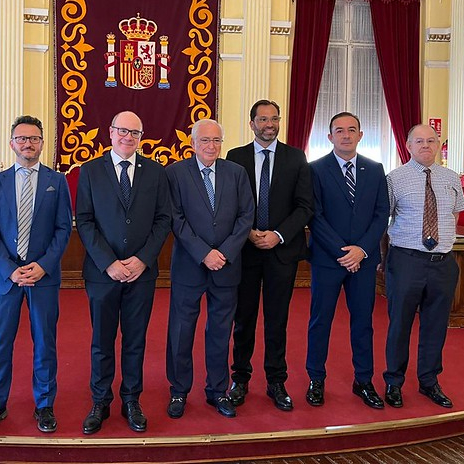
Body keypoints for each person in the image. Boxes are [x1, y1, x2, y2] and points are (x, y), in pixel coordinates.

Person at [75, 111, 172, 434]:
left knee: (135, 341)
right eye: (122, 131)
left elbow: (163, 220)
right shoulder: (89, 171)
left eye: (134, 132)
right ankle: (100, 401)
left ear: (141, 137)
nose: (128, 137)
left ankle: (132, 399)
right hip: (103, 274)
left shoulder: (157, 173)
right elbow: (85, 221)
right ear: (110, 132)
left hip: (141, 273)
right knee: (102, 341)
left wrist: (143, 259)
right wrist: (109, 262)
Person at [0, 116, 72, 434]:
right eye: (21, 138)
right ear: (12, 143)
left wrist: (43, 265)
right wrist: (9, 269)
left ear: (42, 143)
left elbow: (63, 229)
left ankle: (44, 405)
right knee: (0, 342)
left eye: (34, 138)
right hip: (6, 278)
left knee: (45, 342)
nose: (27, 144)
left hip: (43, 277)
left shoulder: (57, 182)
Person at [226, 100, 314, 411]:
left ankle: (276, 381)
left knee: (277, 320)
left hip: (282, 252)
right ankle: (240, 378)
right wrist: (249, 232)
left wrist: (277, 235)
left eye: (275, 118)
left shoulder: (296, 157)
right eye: (263, 119)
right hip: (245, 250)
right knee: (244, 319)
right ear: (252, 124)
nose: (270, 124)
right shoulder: (235, 158)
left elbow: (305, 206)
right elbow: (230, 204)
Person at [165, 119, 254, 419]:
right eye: (205, 140)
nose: (211, 146)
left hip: (227, 268)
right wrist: (204, 253)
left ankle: (217, 391)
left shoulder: (236, 173)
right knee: (181, 331)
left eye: (217, 140)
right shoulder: (175, 173)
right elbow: (175, 218)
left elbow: (246, 217)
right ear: (192, 143)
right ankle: (178, 391)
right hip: (190, 265)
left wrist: (224, 253)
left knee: (220, 331)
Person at [305, 112, 389, 409]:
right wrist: (343, 252)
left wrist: (361, 250)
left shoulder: (375, 169)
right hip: (328, 260)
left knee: (363, 322)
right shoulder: (315, 169)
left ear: (360, 135)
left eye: (351, 130)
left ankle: (363, 380)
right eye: (339, 131)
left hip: (363, 262)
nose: (345, 135)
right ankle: (316, 379)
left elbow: (382, 214)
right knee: (320, 321)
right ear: (329, 137)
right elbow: (314, 215)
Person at [383, 124, 464, 409]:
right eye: (419, 141)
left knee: (435, 326)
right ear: (408, 145)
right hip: (407, 261)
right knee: (400, 325)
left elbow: (454, 214)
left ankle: (429, 381)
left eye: (431, 140)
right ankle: (393, 382)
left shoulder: (451, 178)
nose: (426, 145)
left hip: (442, 263)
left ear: (438, 143)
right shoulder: (395, 179)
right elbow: (385, 220)